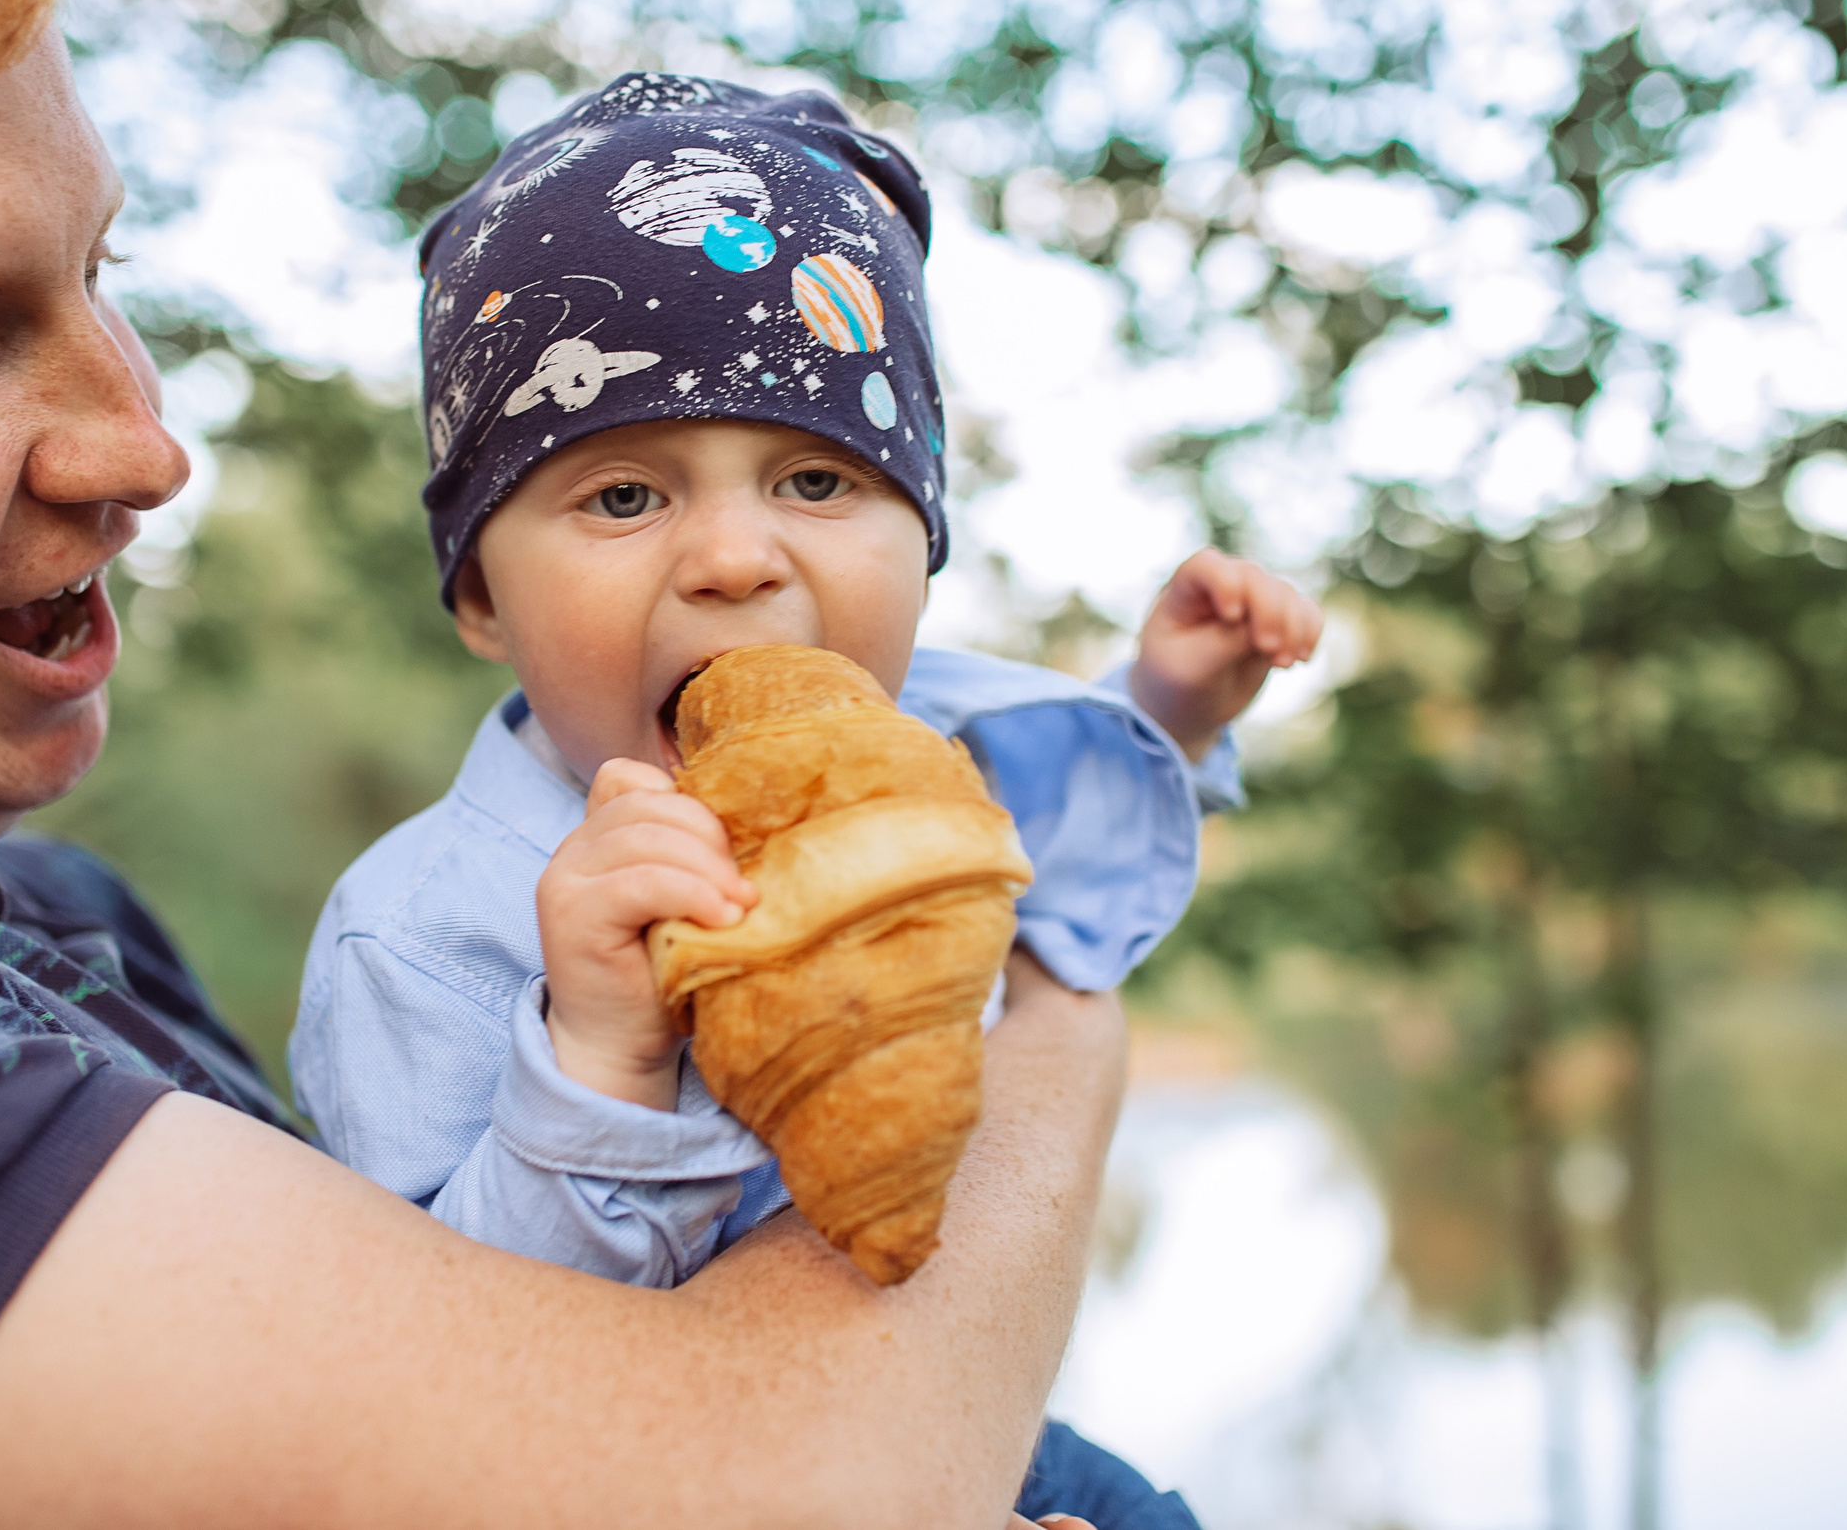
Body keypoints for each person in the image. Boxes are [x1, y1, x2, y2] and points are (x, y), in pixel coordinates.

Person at [0, 0, 1134, 1526]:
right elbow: (759, 1496)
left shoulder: (48, 910)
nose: (147, 448)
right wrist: (1057, 1017)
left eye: (96, 275)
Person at [289, 76, 1322, 1528]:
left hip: (964, 1410)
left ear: (927, 536)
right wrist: (597, 1056)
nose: (734, 558)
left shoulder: (913, 740)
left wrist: (1171, 708)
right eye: (624, 498)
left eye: (820, 478)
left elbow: (1040, 873)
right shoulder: (416, 933)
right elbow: (438, 1377)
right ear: (480, 595)